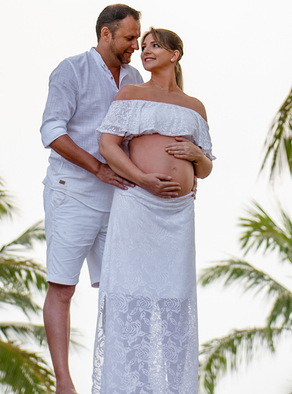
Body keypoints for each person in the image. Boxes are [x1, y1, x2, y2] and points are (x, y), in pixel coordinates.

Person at [92, 28, 214, 394]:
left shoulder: (195, 106)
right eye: (142, 47)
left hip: (177, 217)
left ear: (175, 55)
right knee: (132, 295)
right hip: (137, 205)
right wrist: (144, 179)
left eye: (154, 46)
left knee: (175, 300)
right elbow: (107, 145)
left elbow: (206, 168)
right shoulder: (131, 94)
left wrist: (196, 157)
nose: (145, 51)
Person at [40, 4, 145, 394]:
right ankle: (64, 383)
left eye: (137, 37)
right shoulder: (71, 70)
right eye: (129, 38)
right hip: (72, 194)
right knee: (63, 288)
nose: (136, 45)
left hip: (120, 201)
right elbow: (52, 131)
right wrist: (98, 168)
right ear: (106, 34)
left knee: (119, 290)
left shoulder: (134, 78)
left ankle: (117, 381)